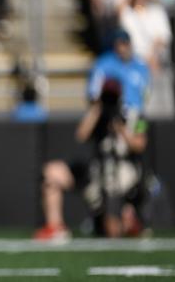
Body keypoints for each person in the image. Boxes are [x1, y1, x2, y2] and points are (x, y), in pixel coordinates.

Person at [33, 77, 149, 240]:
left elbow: (140, 145)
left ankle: (129, 221)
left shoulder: (134, 115)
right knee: (51, 172)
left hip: (120, 178)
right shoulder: (98, 114)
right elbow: (80, 135)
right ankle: (55, 225)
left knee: (111, 232)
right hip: (96, 172)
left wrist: (122, 131)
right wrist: (96, 109)